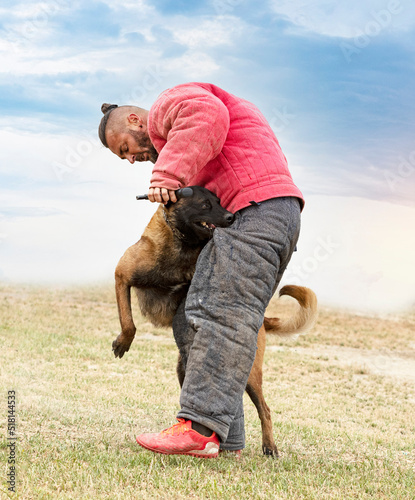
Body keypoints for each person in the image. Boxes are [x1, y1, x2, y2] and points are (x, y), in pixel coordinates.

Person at [98, 82, 304, 458]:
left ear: (134, 120)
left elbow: (208, 115)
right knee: (190, 320)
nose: (131, 158)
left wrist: (166, 175)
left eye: (126, 148)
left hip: (255, 210)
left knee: (219, 314)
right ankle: (229, 440)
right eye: (124, 158)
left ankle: (199, 429)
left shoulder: (166, 107)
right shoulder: (184, 137)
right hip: (269, 210)